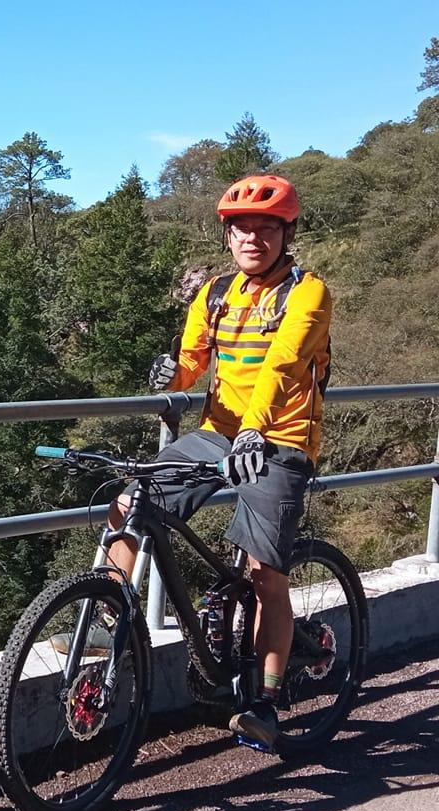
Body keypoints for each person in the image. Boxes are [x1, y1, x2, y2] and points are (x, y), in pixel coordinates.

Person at [115, 173, 331, 751]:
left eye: (266, 228)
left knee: (265, 574)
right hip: (220, 434)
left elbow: (283, 365)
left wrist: (256, 428)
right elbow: (192, 361)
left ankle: (266, 701)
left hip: (281, 439)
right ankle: (111, 619)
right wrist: (171, 376)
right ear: (228, 236)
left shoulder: (308, 293)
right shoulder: (215, 293)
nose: (252, 238)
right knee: (132, 499)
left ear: (286, 234)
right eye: (242, 228)